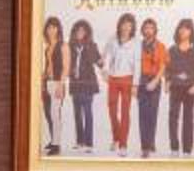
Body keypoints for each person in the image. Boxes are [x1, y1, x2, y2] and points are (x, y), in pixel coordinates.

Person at [168, 15, 194, 158]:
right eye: (181, 28)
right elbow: (168, 69)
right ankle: (174, 148)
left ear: (191, 31)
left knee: (188, 119)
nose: (183, 31)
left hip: (191, 88)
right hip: (175, 87)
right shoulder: (172, 49)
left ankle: (187, 150)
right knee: (173, 117)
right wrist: (167, 81)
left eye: (186, 29)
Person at [66, 11, 102, 150]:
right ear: (74, 32)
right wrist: (70, 71)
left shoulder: (91, 45)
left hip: (88, 83)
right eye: (78, 30)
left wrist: (103, 63)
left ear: (87, 32)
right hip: (75, 83)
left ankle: (89, 143)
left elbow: (99, 62)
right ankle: (79, 141)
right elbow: (66, 63)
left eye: (83, 30)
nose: (80, 32)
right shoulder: (69, 46)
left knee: (87, 112)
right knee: (77, 113)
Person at [107, 11, 140, 151]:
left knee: (125, 112)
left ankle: (123, 144)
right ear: (120, 25)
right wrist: (104, 72)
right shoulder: (113, 39)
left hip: (128, 79)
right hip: (113, 79)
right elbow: (105, 56)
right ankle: (116, 138)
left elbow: (137, 64)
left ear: (132, 27)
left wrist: (135, 85)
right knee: (112, 111)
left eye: (129, 25)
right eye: (124, 24)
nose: (126, 27)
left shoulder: (136, 43)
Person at [135, 16, 167, 155]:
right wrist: (134, 85)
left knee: (153, 114)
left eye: (151, 28)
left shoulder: (161, 46)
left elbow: (163, 66)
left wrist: (155, 81)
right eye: (146, 28)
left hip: (155, 80)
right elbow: (134, 65)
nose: (148, 30)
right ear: (142, 30)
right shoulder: (137, 46)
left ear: (155, 30)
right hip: (141, 80)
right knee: (143, 114)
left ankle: (151, 141)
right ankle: (145, 147)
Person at [39, 15, 65, 156]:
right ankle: (53, 140)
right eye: (49, 27)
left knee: (55, 114)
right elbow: (48, 66)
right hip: (47, 82)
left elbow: (66, 67)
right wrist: (42, 80)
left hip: (57, 83)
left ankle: (57, 145)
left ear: (58, 29)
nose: (51, 30)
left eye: (54, 27)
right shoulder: (48, 47)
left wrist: (61, 85)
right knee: (48, 113)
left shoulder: (63, 45)